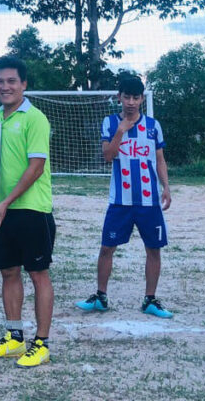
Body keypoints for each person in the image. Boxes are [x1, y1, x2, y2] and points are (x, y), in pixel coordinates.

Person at [76, 75, 172, 319]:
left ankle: (150, 299)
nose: (130, 102)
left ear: (141, 99)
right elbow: (108, 156)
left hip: (148, 201)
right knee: (107, 247)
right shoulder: (110, 123)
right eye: (126, 97)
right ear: (119, 97)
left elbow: (159, 159)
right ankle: (101, 296)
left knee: (154, 249)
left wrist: (166, 187)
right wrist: (120, 131)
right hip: (120, 200)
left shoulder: (153, 126)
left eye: (135, 97)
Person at [0, 55, 55, 368]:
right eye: (0, 81)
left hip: (32, 209)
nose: (5, 86)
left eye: (12, 81)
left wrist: (7, 200)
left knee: (38, 274)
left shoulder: (35, 118)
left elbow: (35, 168)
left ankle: (42, 343)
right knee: (8, 271)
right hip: (2, 210)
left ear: (24, 84)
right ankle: (14, 338)